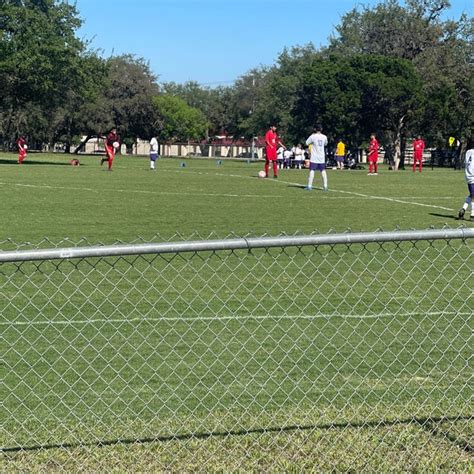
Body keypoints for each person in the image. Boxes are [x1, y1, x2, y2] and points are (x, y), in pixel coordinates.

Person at [305, 125, 328, 191]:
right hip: (321, 157)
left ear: (315, 129)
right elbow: (325, 144)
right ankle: (325, 186)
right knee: (323, 171)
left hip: (314, 157)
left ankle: (309, 186)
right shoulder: (324, 136)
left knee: (312, 170)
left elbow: (306, 143)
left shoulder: (313, 136)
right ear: (321, 129)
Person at [457, 139, 474, 221]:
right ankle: (472, 214)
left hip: (468, 175)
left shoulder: (468, 152)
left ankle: (463, 210)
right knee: (473, 195)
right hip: (473, 175)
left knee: (472, 194)